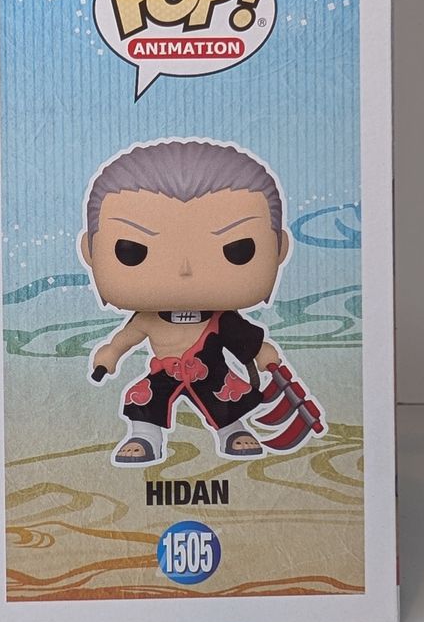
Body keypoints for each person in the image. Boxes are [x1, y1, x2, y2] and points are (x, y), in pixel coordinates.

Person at [78, 139, 291, 466]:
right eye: (132, 251)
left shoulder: (221, 318)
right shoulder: (149, 318)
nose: (185, 270)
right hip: (164, 371)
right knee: (144, 400)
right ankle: (144, 436)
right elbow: (126, 338)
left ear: (279, 249)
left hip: (213, 373)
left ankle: (232, 430)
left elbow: (245, 339)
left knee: (227, 399)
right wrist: (110, 354)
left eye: (238, 250)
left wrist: (263, 353)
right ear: (90, 252)